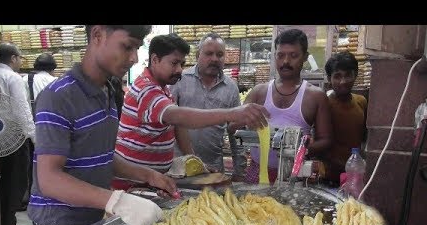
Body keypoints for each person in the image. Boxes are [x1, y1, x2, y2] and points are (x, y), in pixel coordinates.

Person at [27, 25, 178, 225]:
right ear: (97, 36)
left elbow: (103, 154)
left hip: (92, 223)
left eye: (137, 48)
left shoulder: (107, 91)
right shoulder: (58, 97)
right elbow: (49, 179)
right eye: (127, 46)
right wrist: (116, 200)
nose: (133, 58)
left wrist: (147, 175)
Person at [115, 33, 268, 176]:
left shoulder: (163, 87)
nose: (179, 70)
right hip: (133, 181)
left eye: (182, 64)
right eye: (174, 63)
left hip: (153, 178)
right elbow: (178, 116)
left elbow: (177, 125)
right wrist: (233, 113)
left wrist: (196, 162)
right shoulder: (146, 89)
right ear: (155, 60)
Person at [235, 29, 333, 184]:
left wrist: (298, 148)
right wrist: (245, 122)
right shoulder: (258, 92)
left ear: (305, 57)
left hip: (294, 174)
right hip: (257, 172)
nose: (286, 61)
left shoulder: (315, 96)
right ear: (275, 57)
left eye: (293, 55)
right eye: (281, 55)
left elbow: (326, 140)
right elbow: (232, 128)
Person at [170, 33, 247, 181]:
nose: (214, 59)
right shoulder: (180, 80)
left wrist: (239, 170)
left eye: (219, 54)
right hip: (179, 167)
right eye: (209, 53)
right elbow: (170, 124)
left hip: (213, 169)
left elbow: (235, 133)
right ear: (198, 55)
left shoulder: (231, 88)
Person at [0, 42, 35, 225]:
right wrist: (35, 137)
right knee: (16, 181)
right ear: (13, 58)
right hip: (15, 137)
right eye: (19, 58)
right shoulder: (13, 78)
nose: (20, 61)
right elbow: (21, 111)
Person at [21, 53, 58, 210]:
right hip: (49, 129)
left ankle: (27, 195)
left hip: (25, 127)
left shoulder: (23, 80)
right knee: (46, 163)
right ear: (52, 69)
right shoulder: (55, 81)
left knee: (27, 163)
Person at [324, 51, 367, 184]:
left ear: (356, 75)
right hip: (330, 176)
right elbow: (320, 146)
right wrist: (345, 167)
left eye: (348, 75)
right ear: (329, 78)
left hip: (356, 175)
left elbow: (363, 138)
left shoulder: (361, 101)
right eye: (337, 76)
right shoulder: (324, 105)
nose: (343, 81)